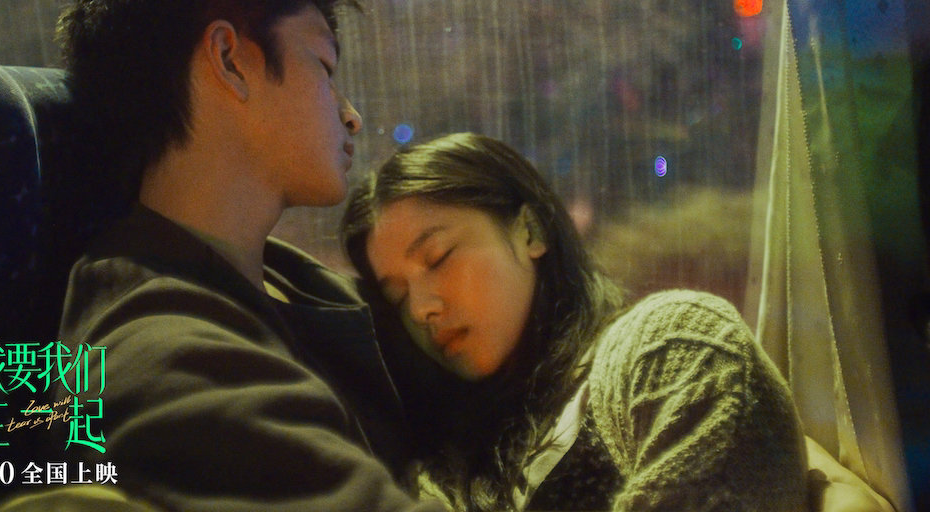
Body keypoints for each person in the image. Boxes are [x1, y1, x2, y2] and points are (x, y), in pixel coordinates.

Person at [45, 0, 446, 511]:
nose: (351, 115)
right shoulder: (167, 360)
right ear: (229, 59)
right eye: (324, 67)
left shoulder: (280, 281)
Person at [341, 132, 892, 512]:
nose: (422, 308)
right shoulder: (438, 474)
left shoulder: (666, 346)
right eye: (397, 297)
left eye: (438, 257)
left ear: (531, 232)